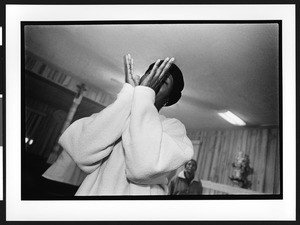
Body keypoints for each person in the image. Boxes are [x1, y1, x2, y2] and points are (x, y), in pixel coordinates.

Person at [57, 54, 194, 195]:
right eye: (151, 74)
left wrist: (145, 95)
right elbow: (81, 151)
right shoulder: (118, 113)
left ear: (167, 100)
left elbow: (142, 168)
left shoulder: (173, 127)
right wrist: (128, 97)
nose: (155, 81)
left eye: (163, 81)